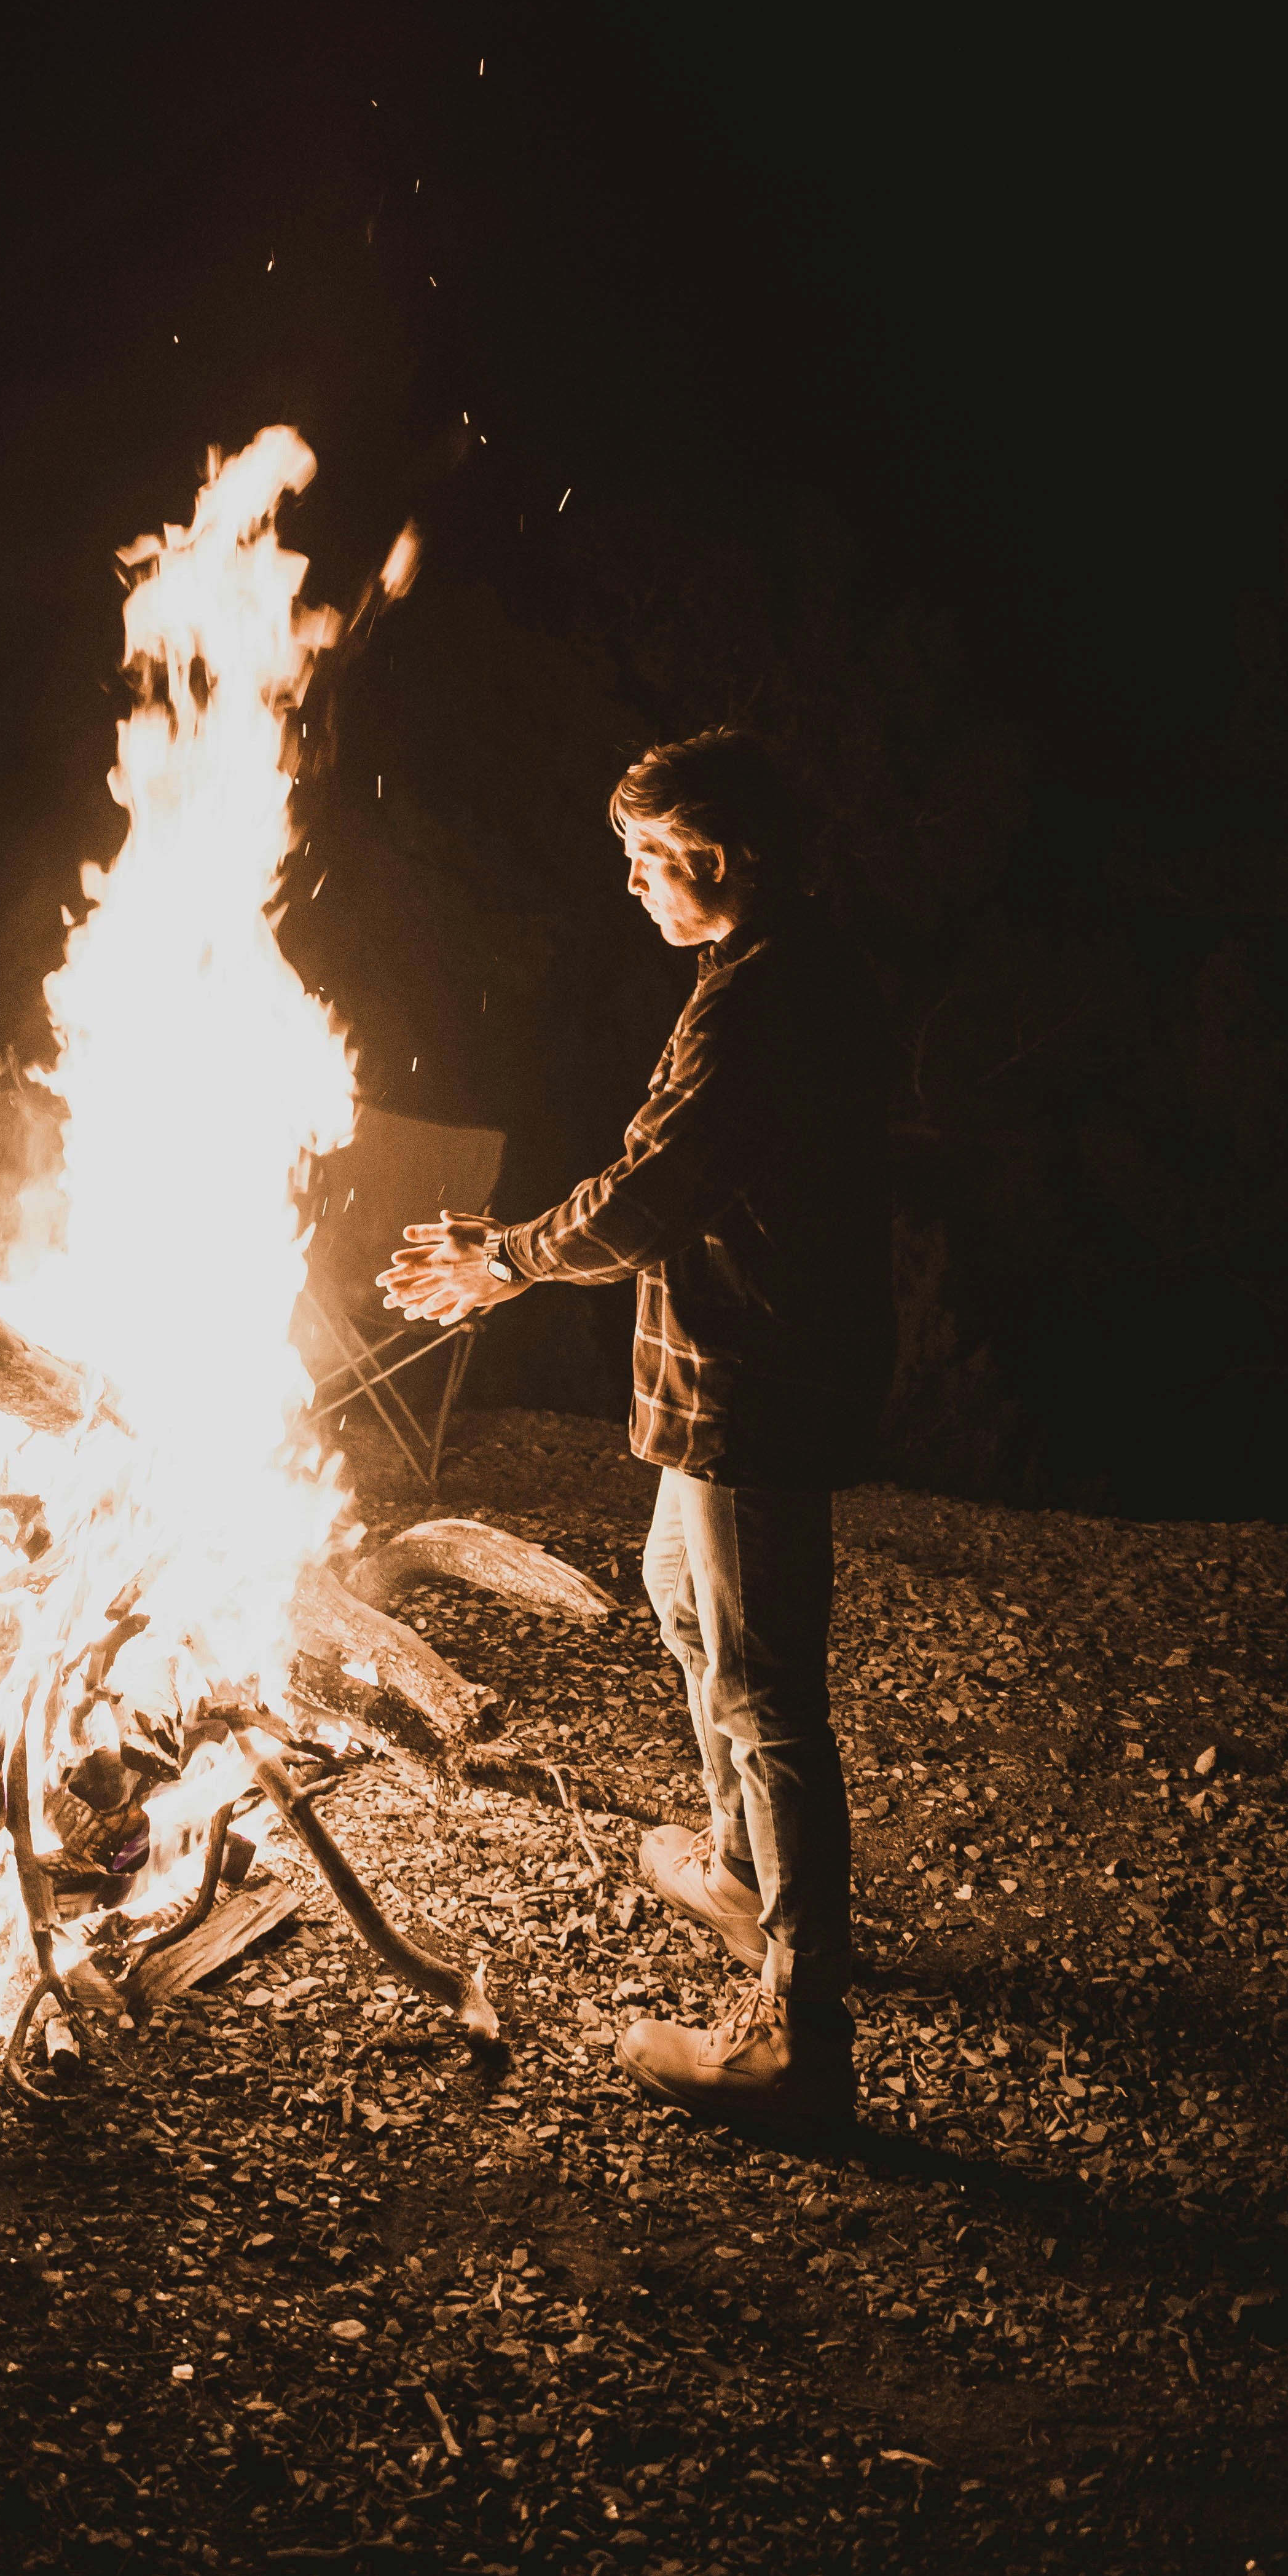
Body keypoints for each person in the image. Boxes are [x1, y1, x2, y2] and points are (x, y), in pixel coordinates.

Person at [379, 729, 893, 2133]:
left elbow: (643, 1198)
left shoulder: (757, 1006)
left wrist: (509, 1260)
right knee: (680, 1601)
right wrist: (513, 1242)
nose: (629, 886)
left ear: (712, 861)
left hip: (750, 1379)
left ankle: (799, 2036)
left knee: (760, 1688)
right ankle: (740, 1875)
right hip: (724, 1367)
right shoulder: (772, 973)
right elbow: (655, 1184)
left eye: (643, 861)